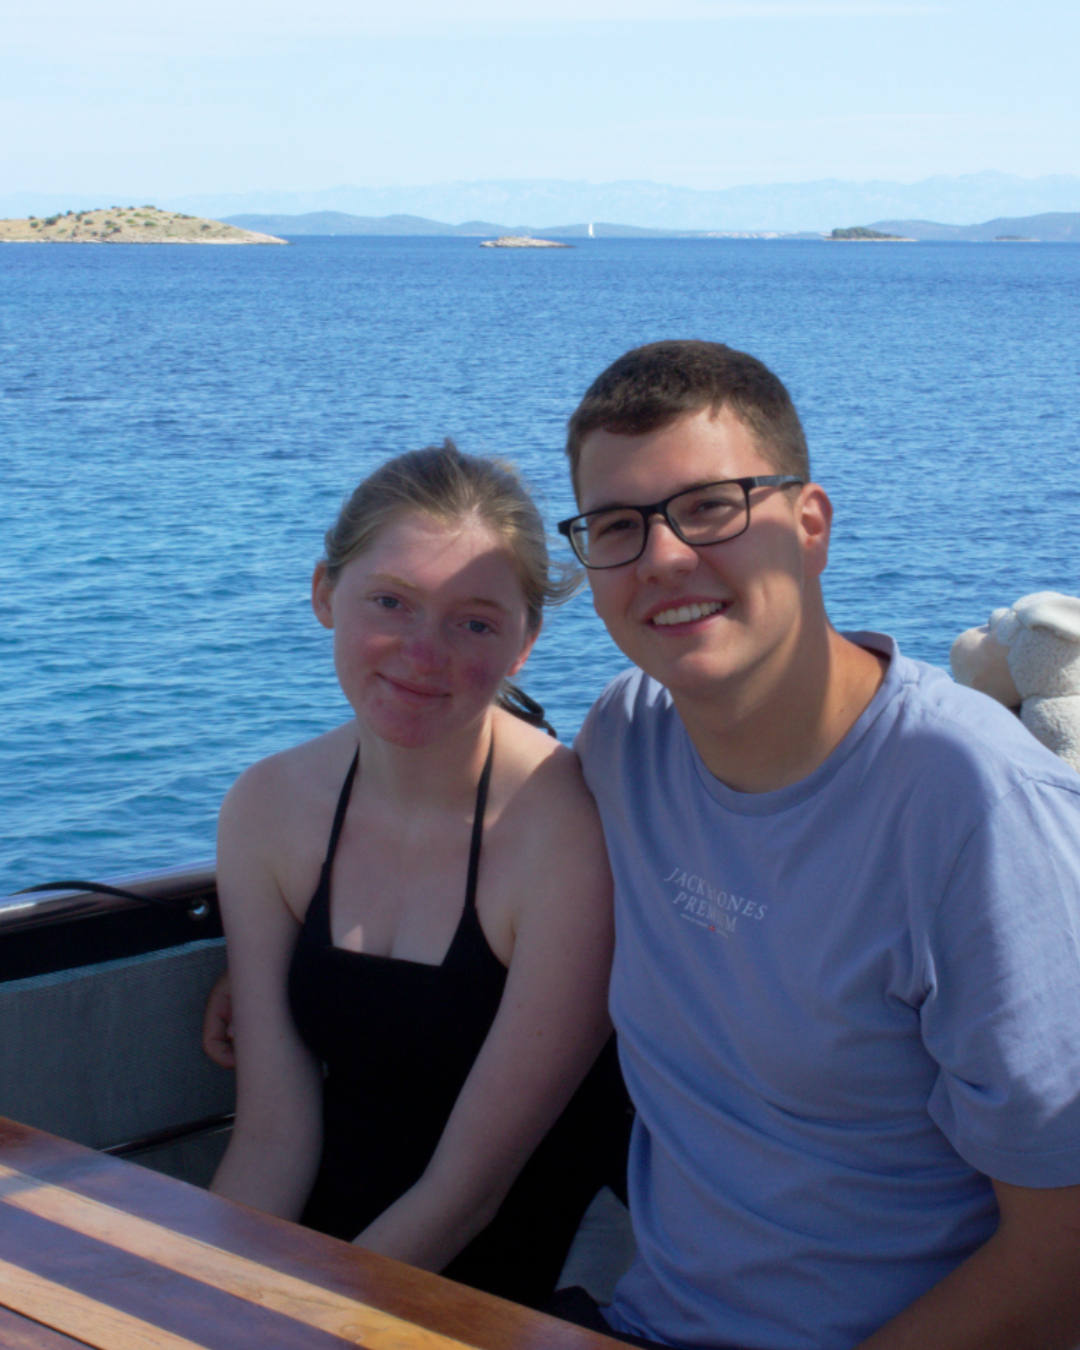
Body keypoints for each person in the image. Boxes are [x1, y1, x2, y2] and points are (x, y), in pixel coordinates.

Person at [550, 340, 1080, 1349]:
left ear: (809, 527)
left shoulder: (974, 803)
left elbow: (1066, 1251)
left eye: (710, 507)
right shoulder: (626, 741)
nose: (663, 557)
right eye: (618, 526)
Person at [208, 440, 630, 1309]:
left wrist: (295, 1323)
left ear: (524, 644)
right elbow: (273, 1136)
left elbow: (469, 1192)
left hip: (515, 1267)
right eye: (391, 602)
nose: (422, 652)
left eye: (474, 621)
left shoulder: (566, 832)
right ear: (326, 593)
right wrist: (197, 1298)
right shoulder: (268, 808)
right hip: (331, 1241)